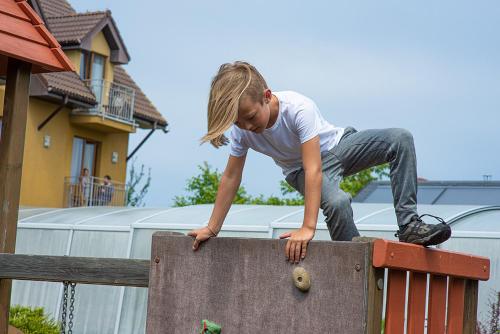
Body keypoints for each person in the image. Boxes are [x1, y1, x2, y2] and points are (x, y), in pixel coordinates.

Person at [188, 61, 451, 263]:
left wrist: (307, 227)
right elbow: (231, 177)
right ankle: (352, 262)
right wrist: (212, 228)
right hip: (299, 170)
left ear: (266, 96)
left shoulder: (298, 108)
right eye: (238, 122)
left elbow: (317, 167)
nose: (246, 126)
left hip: (339, 147)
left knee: (400, 139)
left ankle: (409, 224)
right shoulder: (241, 132)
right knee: (337, 203)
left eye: (251, 117)